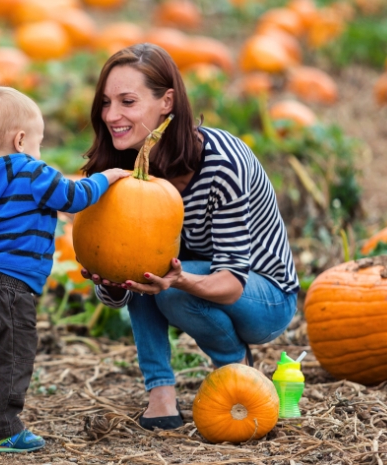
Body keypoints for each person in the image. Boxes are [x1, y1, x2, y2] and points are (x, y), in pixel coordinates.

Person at [79, 43, 300, 431]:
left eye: (127, 102)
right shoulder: (120, 167)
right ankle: (160, 393)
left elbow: (231, 283)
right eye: (105, 102)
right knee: (148, 272)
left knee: (166, 283)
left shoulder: (223, 163)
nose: (112, 115)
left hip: (262, 296)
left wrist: (177, 280)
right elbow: (119, 284)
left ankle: (235, 365)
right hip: (185, 279)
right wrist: (111, 283)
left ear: (167, 102)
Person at [0, 86, 129, 452]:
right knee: (10, 358)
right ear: (20, 140)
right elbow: (72, 198)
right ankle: (0, 430)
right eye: (38, 143)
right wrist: (106, 178)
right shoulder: (29, 171)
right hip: (8, 287)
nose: (40, 152)